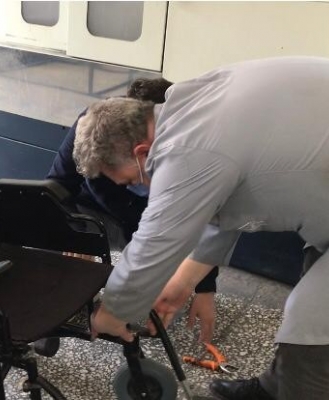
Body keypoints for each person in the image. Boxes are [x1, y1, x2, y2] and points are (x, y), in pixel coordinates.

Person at [74, 57, 329, 400]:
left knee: (317, 332)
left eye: (133, 180)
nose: (140, 188)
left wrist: (111, 313)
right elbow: (224, 196)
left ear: (142, 152)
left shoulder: (186, 149)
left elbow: (156, 240)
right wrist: (185, 282)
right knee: (317, 289)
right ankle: (272, 390)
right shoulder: (190, 107)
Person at [48, 77, 219, 342]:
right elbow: (55, 188)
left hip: (155, 226)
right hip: (101, 214)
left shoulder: (185, 149)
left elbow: (210, 219)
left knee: (165, 296)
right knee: (61, 243)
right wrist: (77, 234)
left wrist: (204, 288)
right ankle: (60, 312)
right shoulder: (95, 128)